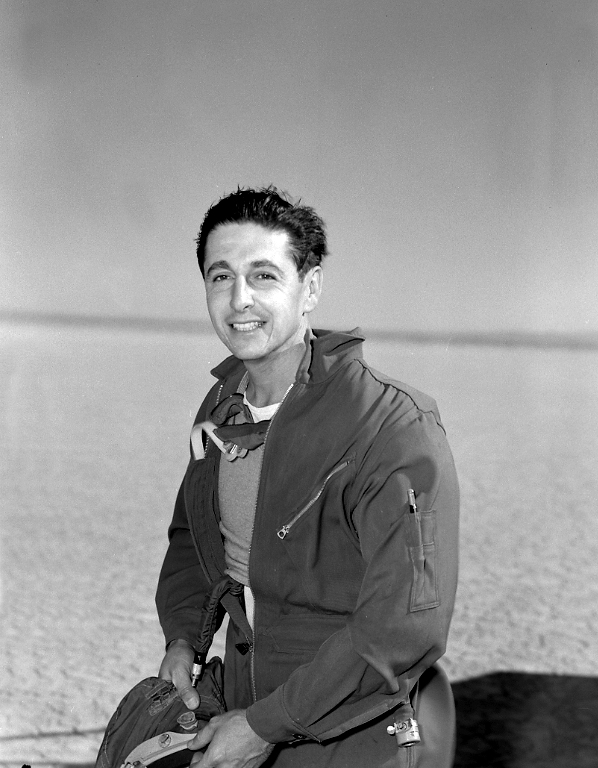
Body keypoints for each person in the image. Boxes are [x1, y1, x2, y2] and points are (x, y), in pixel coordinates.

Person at [155, 187, 459, 768]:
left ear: (310, 286)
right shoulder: (222, 407)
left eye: (264, 276)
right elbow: (193, 542)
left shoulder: (392, 427)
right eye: (221, 277)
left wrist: (268, 725)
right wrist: (183, 641)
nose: (239, 299)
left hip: (354, 723)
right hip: (244, 697)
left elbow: (403, 626)